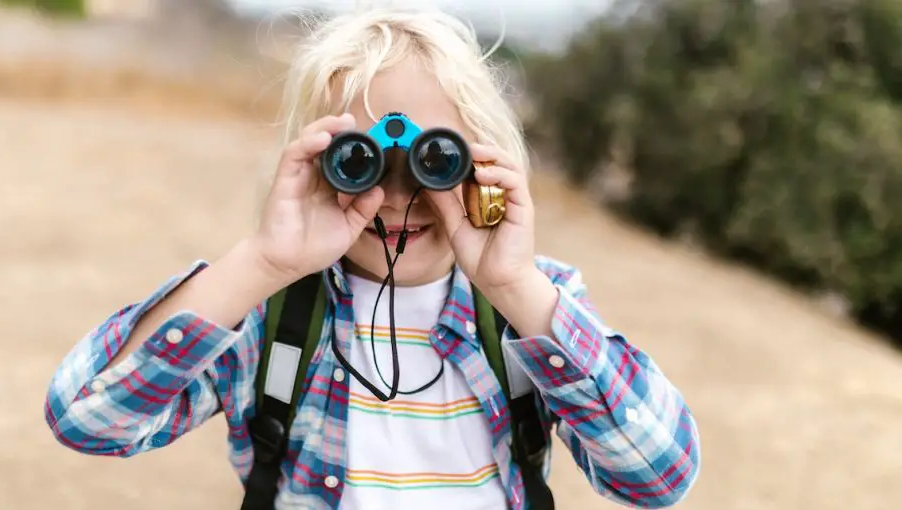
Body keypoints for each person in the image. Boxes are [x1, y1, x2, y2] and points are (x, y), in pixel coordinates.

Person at [43, 6, 701, 510]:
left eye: (435, 163)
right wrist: (265, 263)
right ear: (311, 165)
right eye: (358, 163)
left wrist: (514, 284)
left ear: (484, 169)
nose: (394, 198)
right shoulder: (267, 314)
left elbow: (659, 476)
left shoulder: (531, 308)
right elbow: (87, 421)